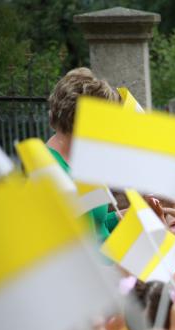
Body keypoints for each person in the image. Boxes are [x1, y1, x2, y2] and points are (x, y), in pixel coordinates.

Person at [45, 67, 121, 242]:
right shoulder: (51, 170)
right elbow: (74, 245)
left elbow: (96, 226)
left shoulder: (81, 160)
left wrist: (127, 217)